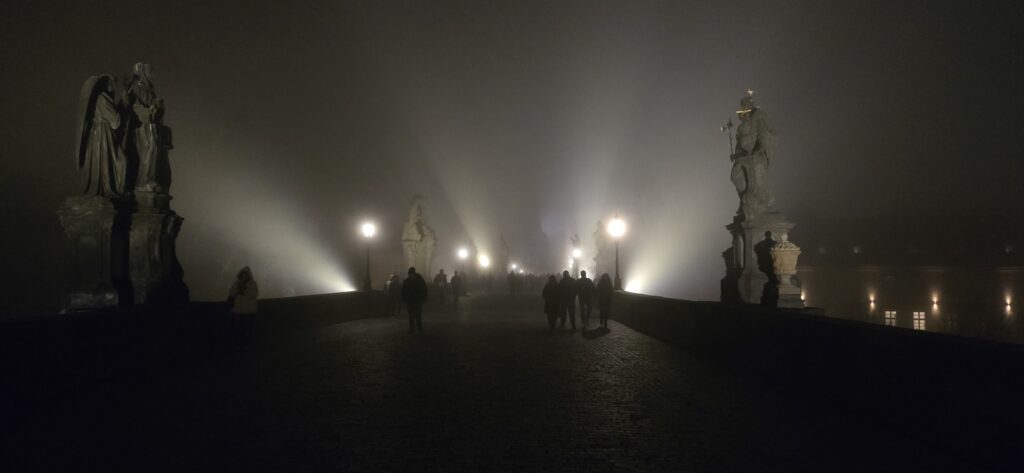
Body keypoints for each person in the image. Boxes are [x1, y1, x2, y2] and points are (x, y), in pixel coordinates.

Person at [227, 266, 259, 347]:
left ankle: (248, 344)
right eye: (243, 274)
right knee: (237, 328)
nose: (244, 276)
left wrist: (243, 291)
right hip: (238, 310)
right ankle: (238, 343)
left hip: (248, 311)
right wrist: (238, 289)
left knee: (248, 328)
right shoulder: (236, 283)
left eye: (246, 274)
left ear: (248, 275)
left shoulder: (252, 284)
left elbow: (254, 294)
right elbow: (231, 293)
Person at [402, 267, 428, 334]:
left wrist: (405, 299)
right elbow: (424, 290)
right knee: (416, 315)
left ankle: (414, 329)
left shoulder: (407, 281)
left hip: (413, 301)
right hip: (416, 300)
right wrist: (423, 298)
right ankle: (417, 329)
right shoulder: (420, 280)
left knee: (413, 315)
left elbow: (403, 291)